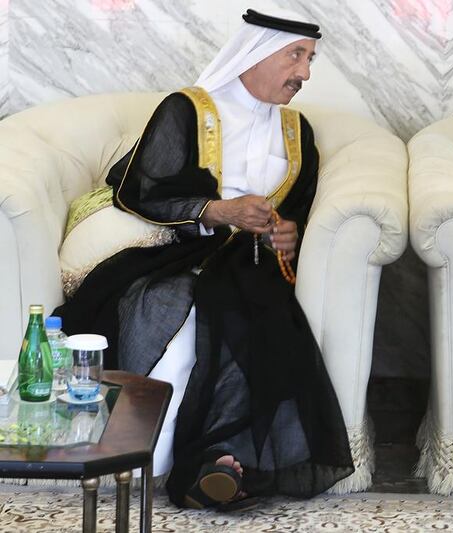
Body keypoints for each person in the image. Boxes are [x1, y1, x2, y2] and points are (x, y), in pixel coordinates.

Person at [55, 9, 354, 509]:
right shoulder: (188, 109)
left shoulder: (297, 130)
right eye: (295, 56)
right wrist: (215, 210)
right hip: (177, 248)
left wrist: (287, 233)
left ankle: (209, 463)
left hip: (250, 261)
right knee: (170, 306)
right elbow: (140, 188)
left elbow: (296, 208)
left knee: (246, 317)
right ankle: (158, 457)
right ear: (256, 53)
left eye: (309, 59)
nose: (304, 73)